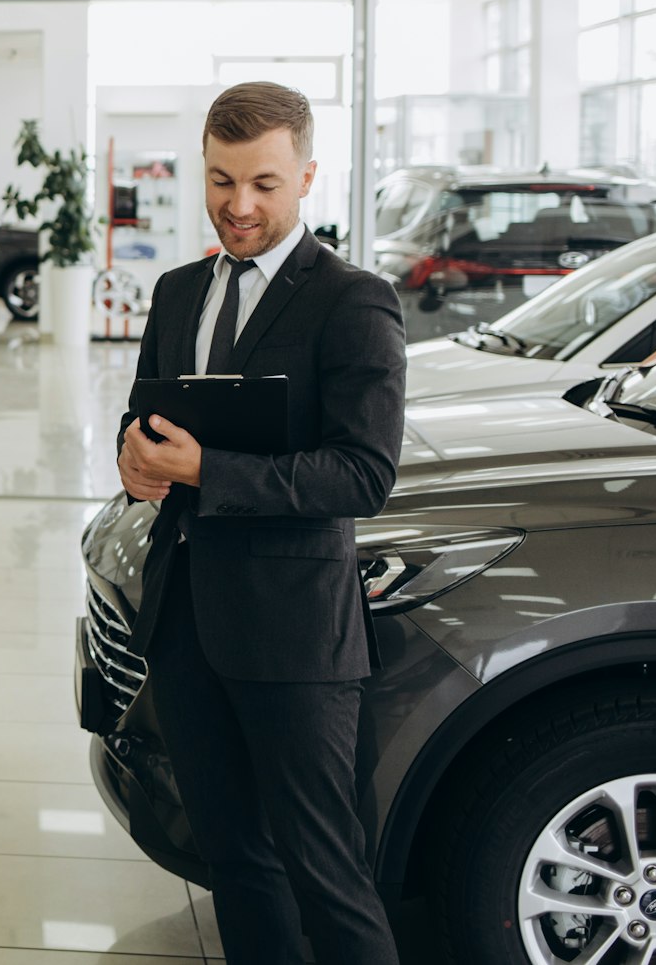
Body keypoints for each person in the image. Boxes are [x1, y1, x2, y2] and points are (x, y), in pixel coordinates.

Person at [115, 81, 405, 965]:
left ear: (308, 175)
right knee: (234, 863)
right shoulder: (175, 294)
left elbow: (364, 471)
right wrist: (132, 464)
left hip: (294, 637)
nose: (238, 205)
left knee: (326, 871)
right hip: (187, 624)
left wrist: (207, 470)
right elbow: (143, 430)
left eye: (264, 184)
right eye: (220, 179)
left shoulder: (352, 300)